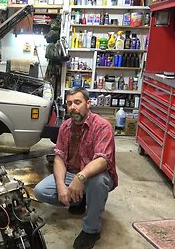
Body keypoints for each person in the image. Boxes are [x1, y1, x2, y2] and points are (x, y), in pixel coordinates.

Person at [33, 87, 118, 249]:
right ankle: (78, 200)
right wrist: (61, 186)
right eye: (69, 103)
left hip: (95, 175)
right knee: (40, 191)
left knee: (97, 182)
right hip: (73, 174)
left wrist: (80, 178)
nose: (73, 107)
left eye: (77, 102)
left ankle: (91, 230)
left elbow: (102, 161)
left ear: (88, 103)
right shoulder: (65, 127)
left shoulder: (102, 126)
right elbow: (59, 157)